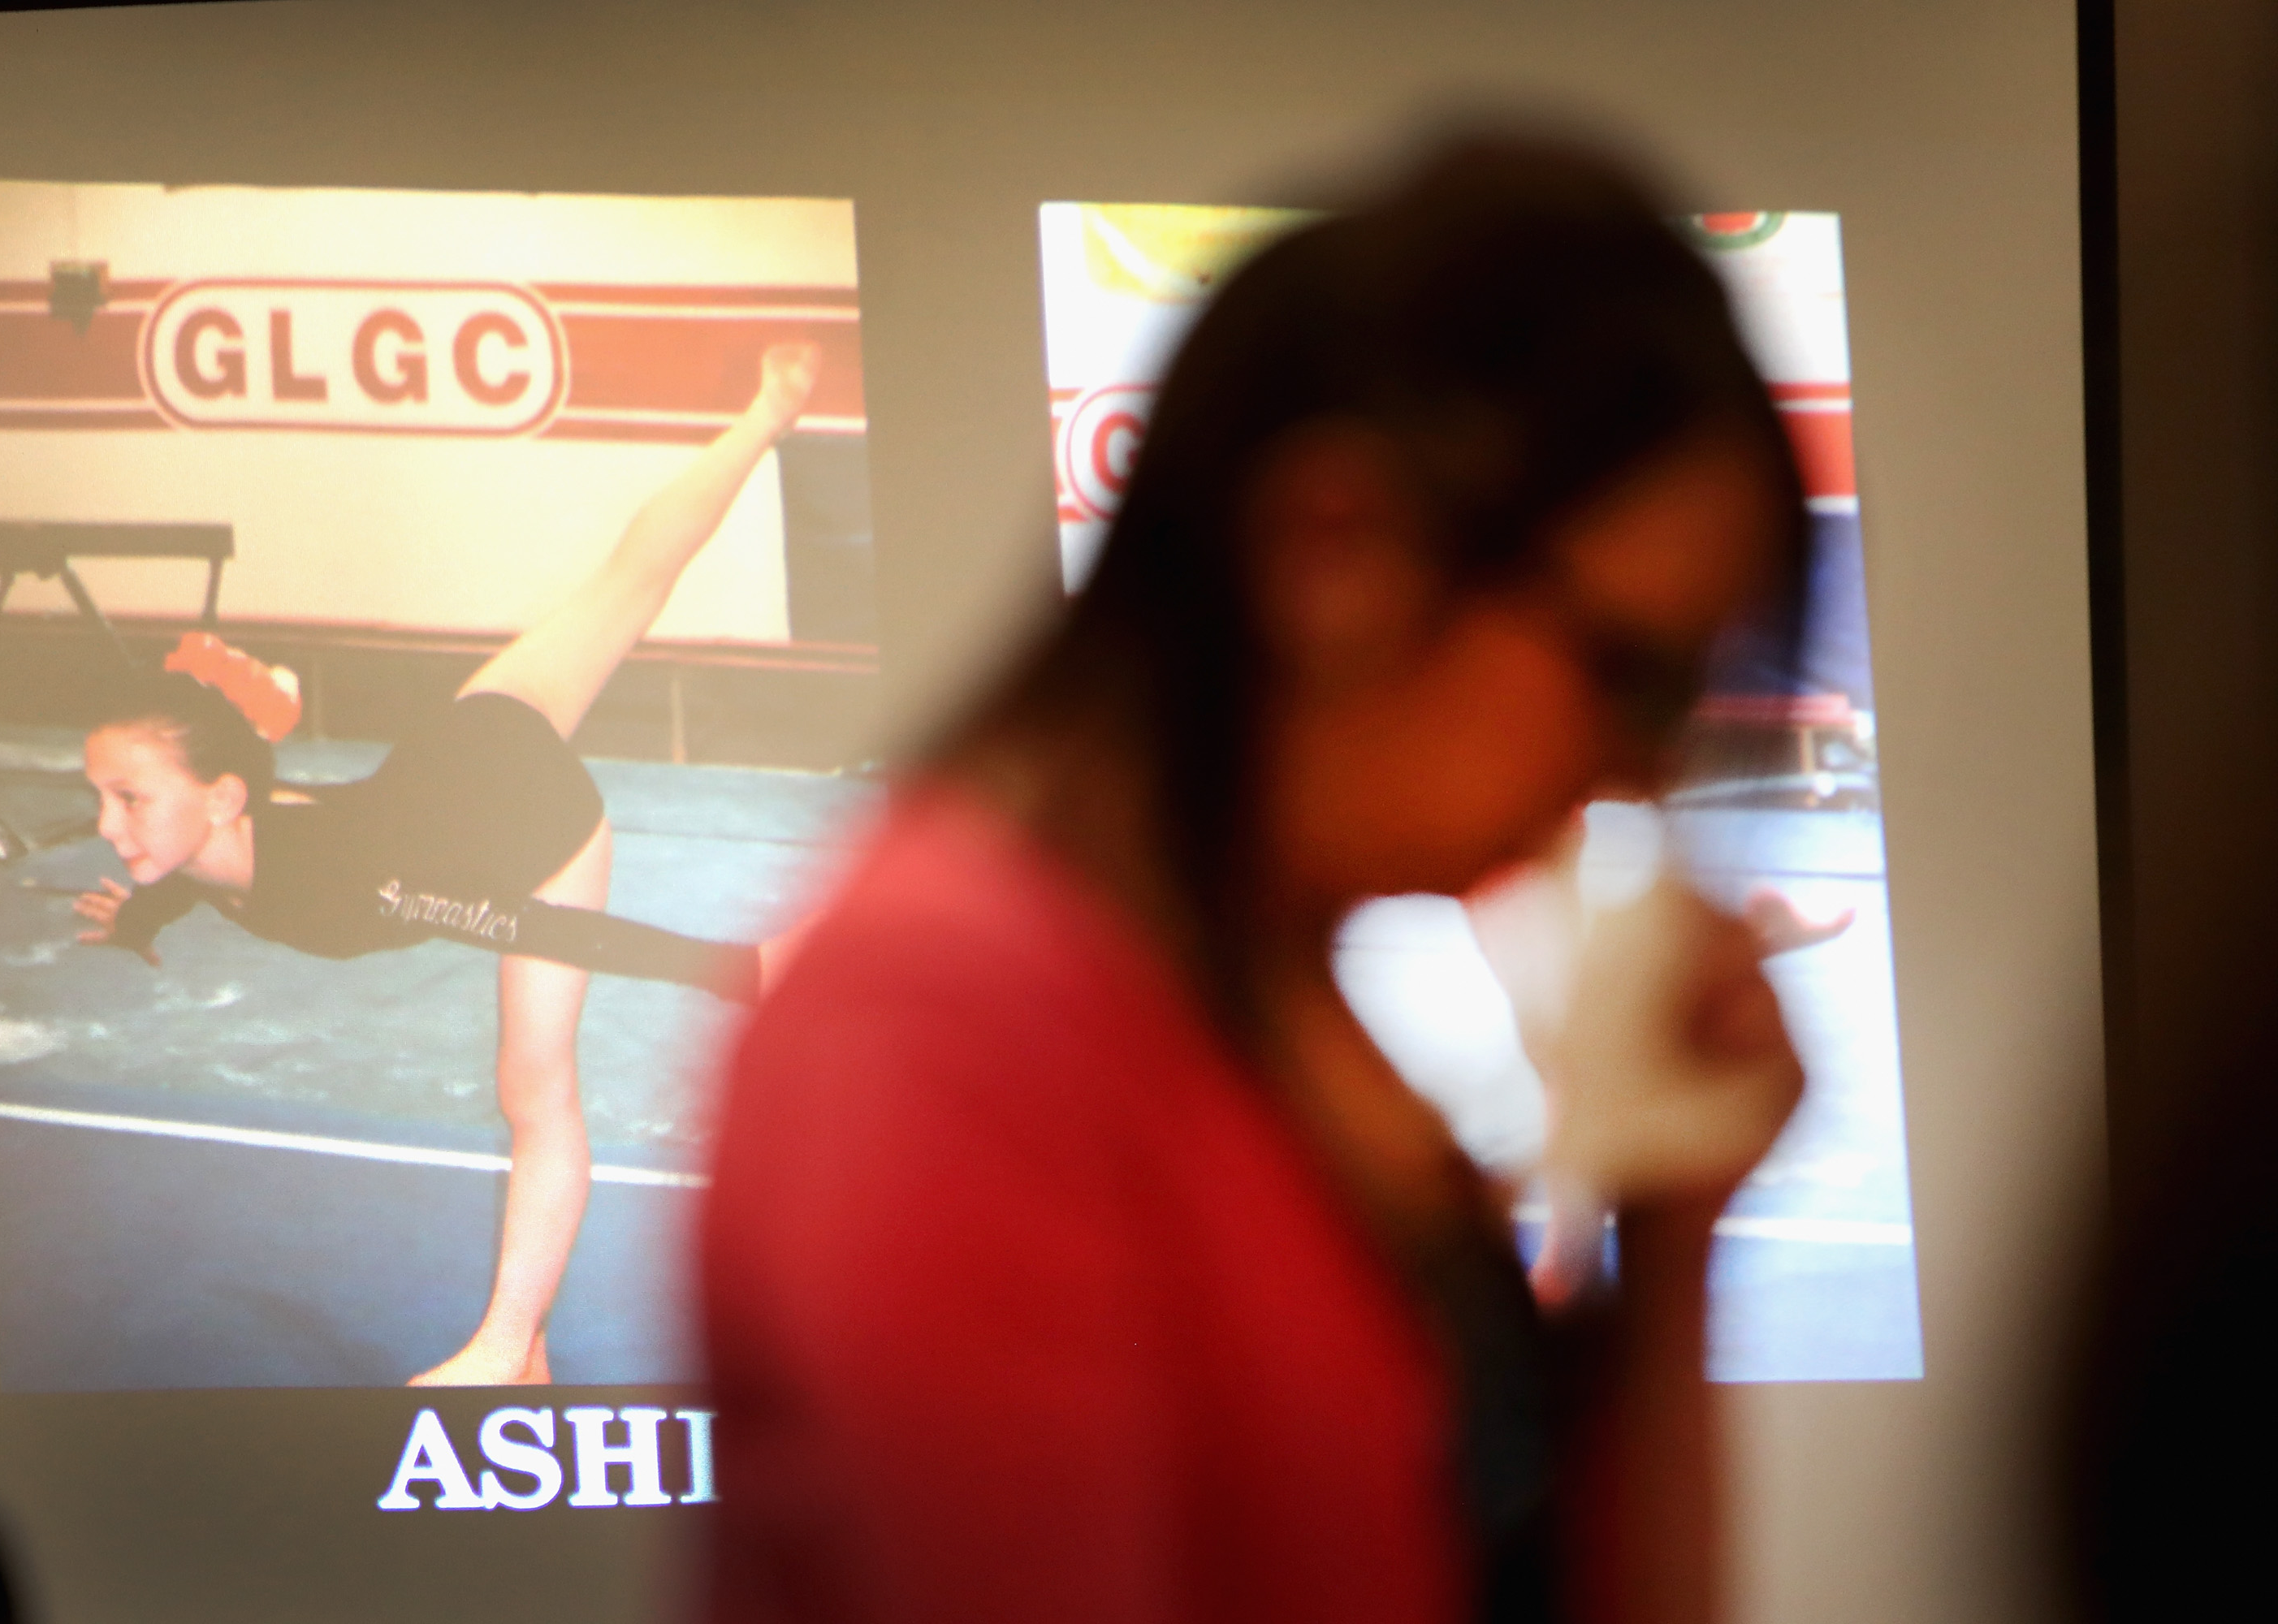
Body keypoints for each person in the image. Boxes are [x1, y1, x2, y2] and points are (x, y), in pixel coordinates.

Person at [702, 135, 1809, 1622]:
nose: (1636, 778)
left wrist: (1669, 1237)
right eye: (1627, 674)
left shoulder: (1250, 989)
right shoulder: (944, 1024)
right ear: (1332, 546)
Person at [71, 342, 823, 1387]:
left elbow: (533, 927)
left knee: (534, 1087)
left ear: (226, 798)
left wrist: (733, 970)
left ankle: (504, 1343)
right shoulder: (206, 833)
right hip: (474, 735)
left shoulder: (328, 876)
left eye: (129, 799)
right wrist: (137, 918)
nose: (108, 825)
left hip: (531, 822)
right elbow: (182, 874)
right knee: (629, 579)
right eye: (103, 796)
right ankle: (768, 413)